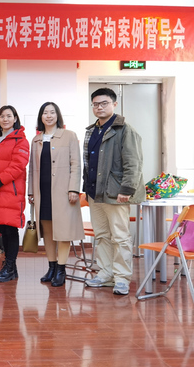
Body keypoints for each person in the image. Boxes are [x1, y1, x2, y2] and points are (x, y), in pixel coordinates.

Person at [83, 88, 145, 295]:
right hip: (95, 193)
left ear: (114, 104)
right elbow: (88, 163)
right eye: (96, 104)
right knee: (102, 235)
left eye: (104, 103)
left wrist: (126, 189)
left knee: (120, 237)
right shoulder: (92, 130)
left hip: (116, 193)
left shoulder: (125, 130)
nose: (99, 107)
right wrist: (86, 187)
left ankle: (122, 278)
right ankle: (105, 274)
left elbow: (133, 163)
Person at [28, 102, 84, 287]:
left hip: (63, 192)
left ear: (57, 115)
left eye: (52, 112)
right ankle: (51, 267)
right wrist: (31, 191)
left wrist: (73, 189)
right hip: (42, 192)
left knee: (63, 231)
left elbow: (76, 164)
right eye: (45, 113)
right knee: (48, 231)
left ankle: (61, 269)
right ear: (41, 117)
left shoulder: (69, 136)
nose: (49, 116)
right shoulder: (36, 140)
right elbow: (32, 169)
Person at [0, 105, 29, 283]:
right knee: (2, 229)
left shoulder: (21, 140)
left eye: (9, 116)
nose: (5, 119)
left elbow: (18, 165)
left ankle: (10, 266)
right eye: (2, 116)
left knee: (10, 229)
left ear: (15, 118)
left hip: (10, 190)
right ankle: (11, 268)